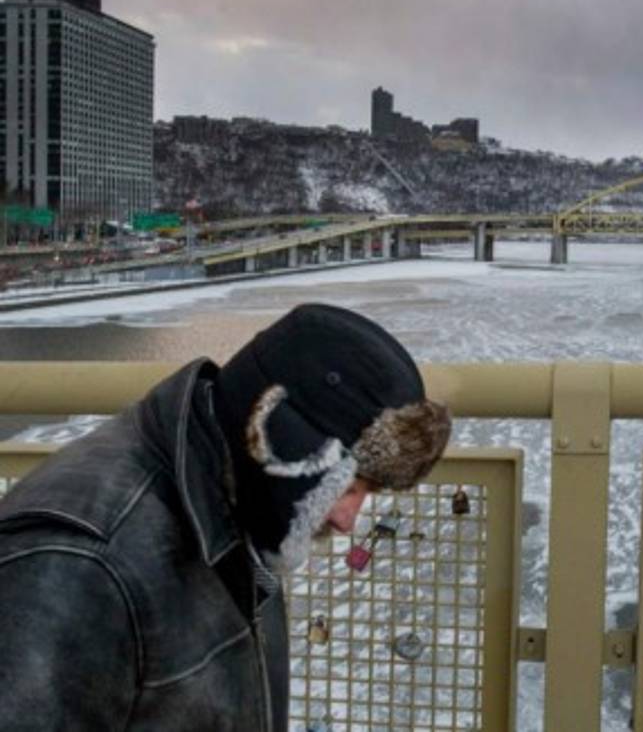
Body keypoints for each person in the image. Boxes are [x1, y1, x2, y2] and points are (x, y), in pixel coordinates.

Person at [0, 303, 451, 730]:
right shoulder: (82, 565)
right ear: (285, 443)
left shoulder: (234, 504)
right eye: (349, 487)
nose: (348, 520)